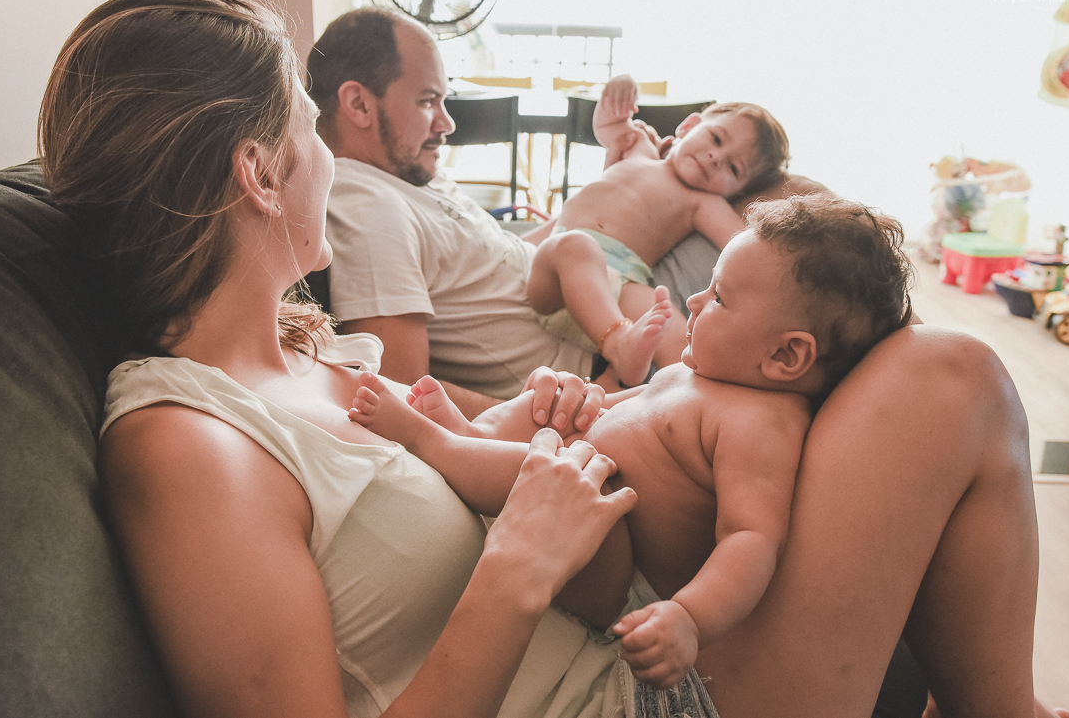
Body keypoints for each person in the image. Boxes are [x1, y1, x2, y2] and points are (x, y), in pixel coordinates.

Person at [42, 0, 1069, 718]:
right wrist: (522, 559)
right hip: (629, 699)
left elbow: (455, 486)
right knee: (955, 379)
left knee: (859, 336)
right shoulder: (186, 445)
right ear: (260, 176)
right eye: (307, 130)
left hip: (618, 627)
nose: (328, 151)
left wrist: (527, 428)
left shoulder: (307, 355)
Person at [350, 193, 916, 698]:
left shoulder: (763, 423)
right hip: (582, 498)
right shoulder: (699, 375)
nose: (694, 301)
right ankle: (476, 438)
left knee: (577, 480)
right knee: (561, 419)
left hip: (617, 580)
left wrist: (688, 619)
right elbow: (616, 413)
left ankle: (439, 445)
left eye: (719, 297)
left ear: (786, 356)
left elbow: (751, 539)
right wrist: (584, 402)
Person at [306, 8, 819, 417]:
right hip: (598, 358)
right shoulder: (369, 206)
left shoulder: (410, 171)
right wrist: (548, 416)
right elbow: (399, 392)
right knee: (797, 278)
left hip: (597, 291)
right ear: (359, 105)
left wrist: (602, 194)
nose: (447, 121)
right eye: (427, 101)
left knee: (792, 206)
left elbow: (504, 256)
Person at [526, 74, 791, 386]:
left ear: (736, 191)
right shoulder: (641, 149)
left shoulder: (703, 202)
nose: (715, 158)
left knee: (673, 330)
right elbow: (609, 127)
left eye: (734, 169)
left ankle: (640, 390)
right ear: (689, 126)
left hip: (623, 284)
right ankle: (617, 344)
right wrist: (619, 89)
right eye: (716, 139)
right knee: (576, 246)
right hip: (558, 274)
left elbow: (743, 242)